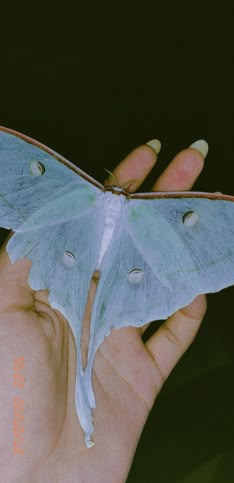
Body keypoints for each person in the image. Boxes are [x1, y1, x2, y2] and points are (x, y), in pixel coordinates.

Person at [0, 138, 207, 482]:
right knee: (88, 327)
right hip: (96, 257)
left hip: (98, 257)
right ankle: (85, 408)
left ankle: (83, 407)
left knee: (91, 328)